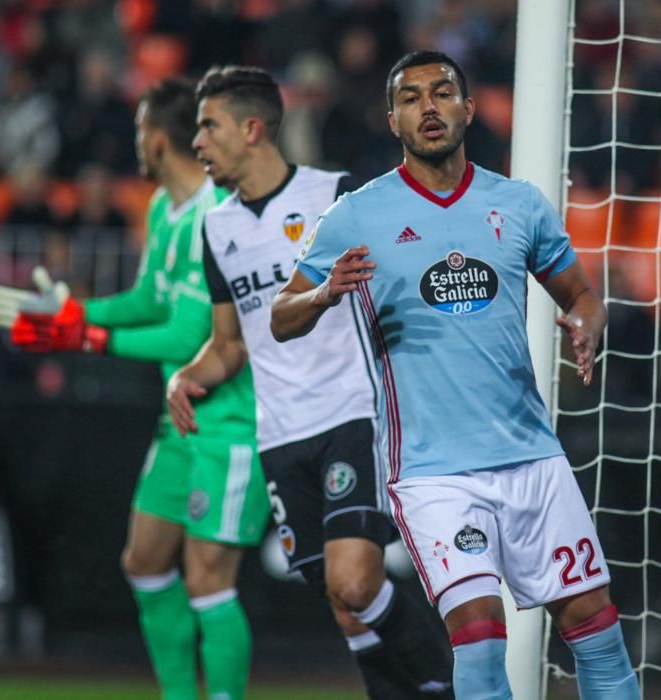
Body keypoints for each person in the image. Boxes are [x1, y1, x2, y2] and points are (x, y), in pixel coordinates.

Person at [271, 50, 640, 700]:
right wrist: (325, 293)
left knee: (595, 626)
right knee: (478, 634)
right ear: (393, 120)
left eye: (442, 92)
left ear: (469, 109)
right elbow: (281, 317)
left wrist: (587, 323)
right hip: (434, 473)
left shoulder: (518, 204)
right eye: (411, 97)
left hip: (532, 458)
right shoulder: (359, 214)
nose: (429, 106)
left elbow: (582, 296)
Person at [166, 65, 454, 698]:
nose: (198, 143)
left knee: (355, 581)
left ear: (252, 129)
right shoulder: (216, 229)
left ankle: (454, 685)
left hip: (352, 413)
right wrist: (189, 375)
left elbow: (408, 276)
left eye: (208, 126)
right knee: (343, 602)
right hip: (280, 434)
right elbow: (230, 344)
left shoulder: (336, 195)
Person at [0, 79, 270, 700]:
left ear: (158, 138)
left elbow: (188, 334)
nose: (137, 142)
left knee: (208, 579)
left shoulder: (213, 217)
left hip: (230, 423)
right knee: (143, 562)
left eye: (142, 129)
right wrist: (76, 311)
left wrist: (80, 339)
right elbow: (149, 299)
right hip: (180, 422)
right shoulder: (162, 210)